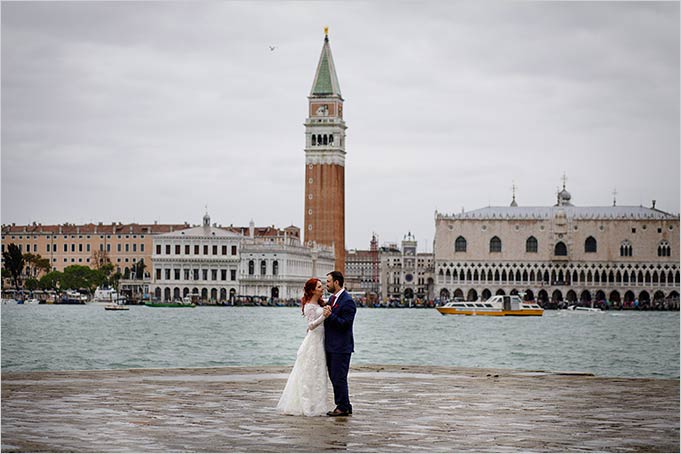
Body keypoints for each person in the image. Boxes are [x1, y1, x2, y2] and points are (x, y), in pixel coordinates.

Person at [276, 278, 329, 416]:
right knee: (310, 372)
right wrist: (324, 316)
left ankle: (318, 404)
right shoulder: (309, 306)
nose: (322, 288)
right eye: (319, 287)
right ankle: (307, 404)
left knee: (319, 373)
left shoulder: (319, 304)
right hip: (314, 341)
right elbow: (311, 325)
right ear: (312, 290)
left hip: (321, 340)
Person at [323, 270, 357, 417]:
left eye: (328, 282)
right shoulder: (332, 299)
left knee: (339, 377)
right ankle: (345, 404)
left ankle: (342, 407)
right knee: (334, 376)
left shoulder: (348, 301)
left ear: (337, 282)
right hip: (331, 345)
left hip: (341, 347)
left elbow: (345, 324)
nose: (326, 285)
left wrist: (330, 316)